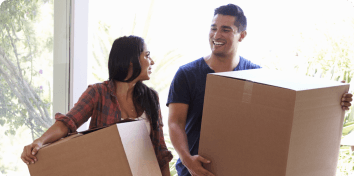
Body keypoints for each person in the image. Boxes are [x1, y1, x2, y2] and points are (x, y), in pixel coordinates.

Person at [167, 4, 353, 176]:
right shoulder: (187, 74)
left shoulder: (257, 75)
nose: (216, 35)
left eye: (226, 29)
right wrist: (188, 161)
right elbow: (176, 122)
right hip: (196, 170)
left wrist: (334, 101)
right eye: (214, 28)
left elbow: (285, 115)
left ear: (242, 35)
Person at [21, 35, 173, 176]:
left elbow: (160, 151)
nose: (151, 61)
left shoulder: (151, 98)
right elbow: (68, 123)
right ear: (131, 61)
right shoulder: (98, 93)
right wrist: (39, 141)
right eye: (147, 55)